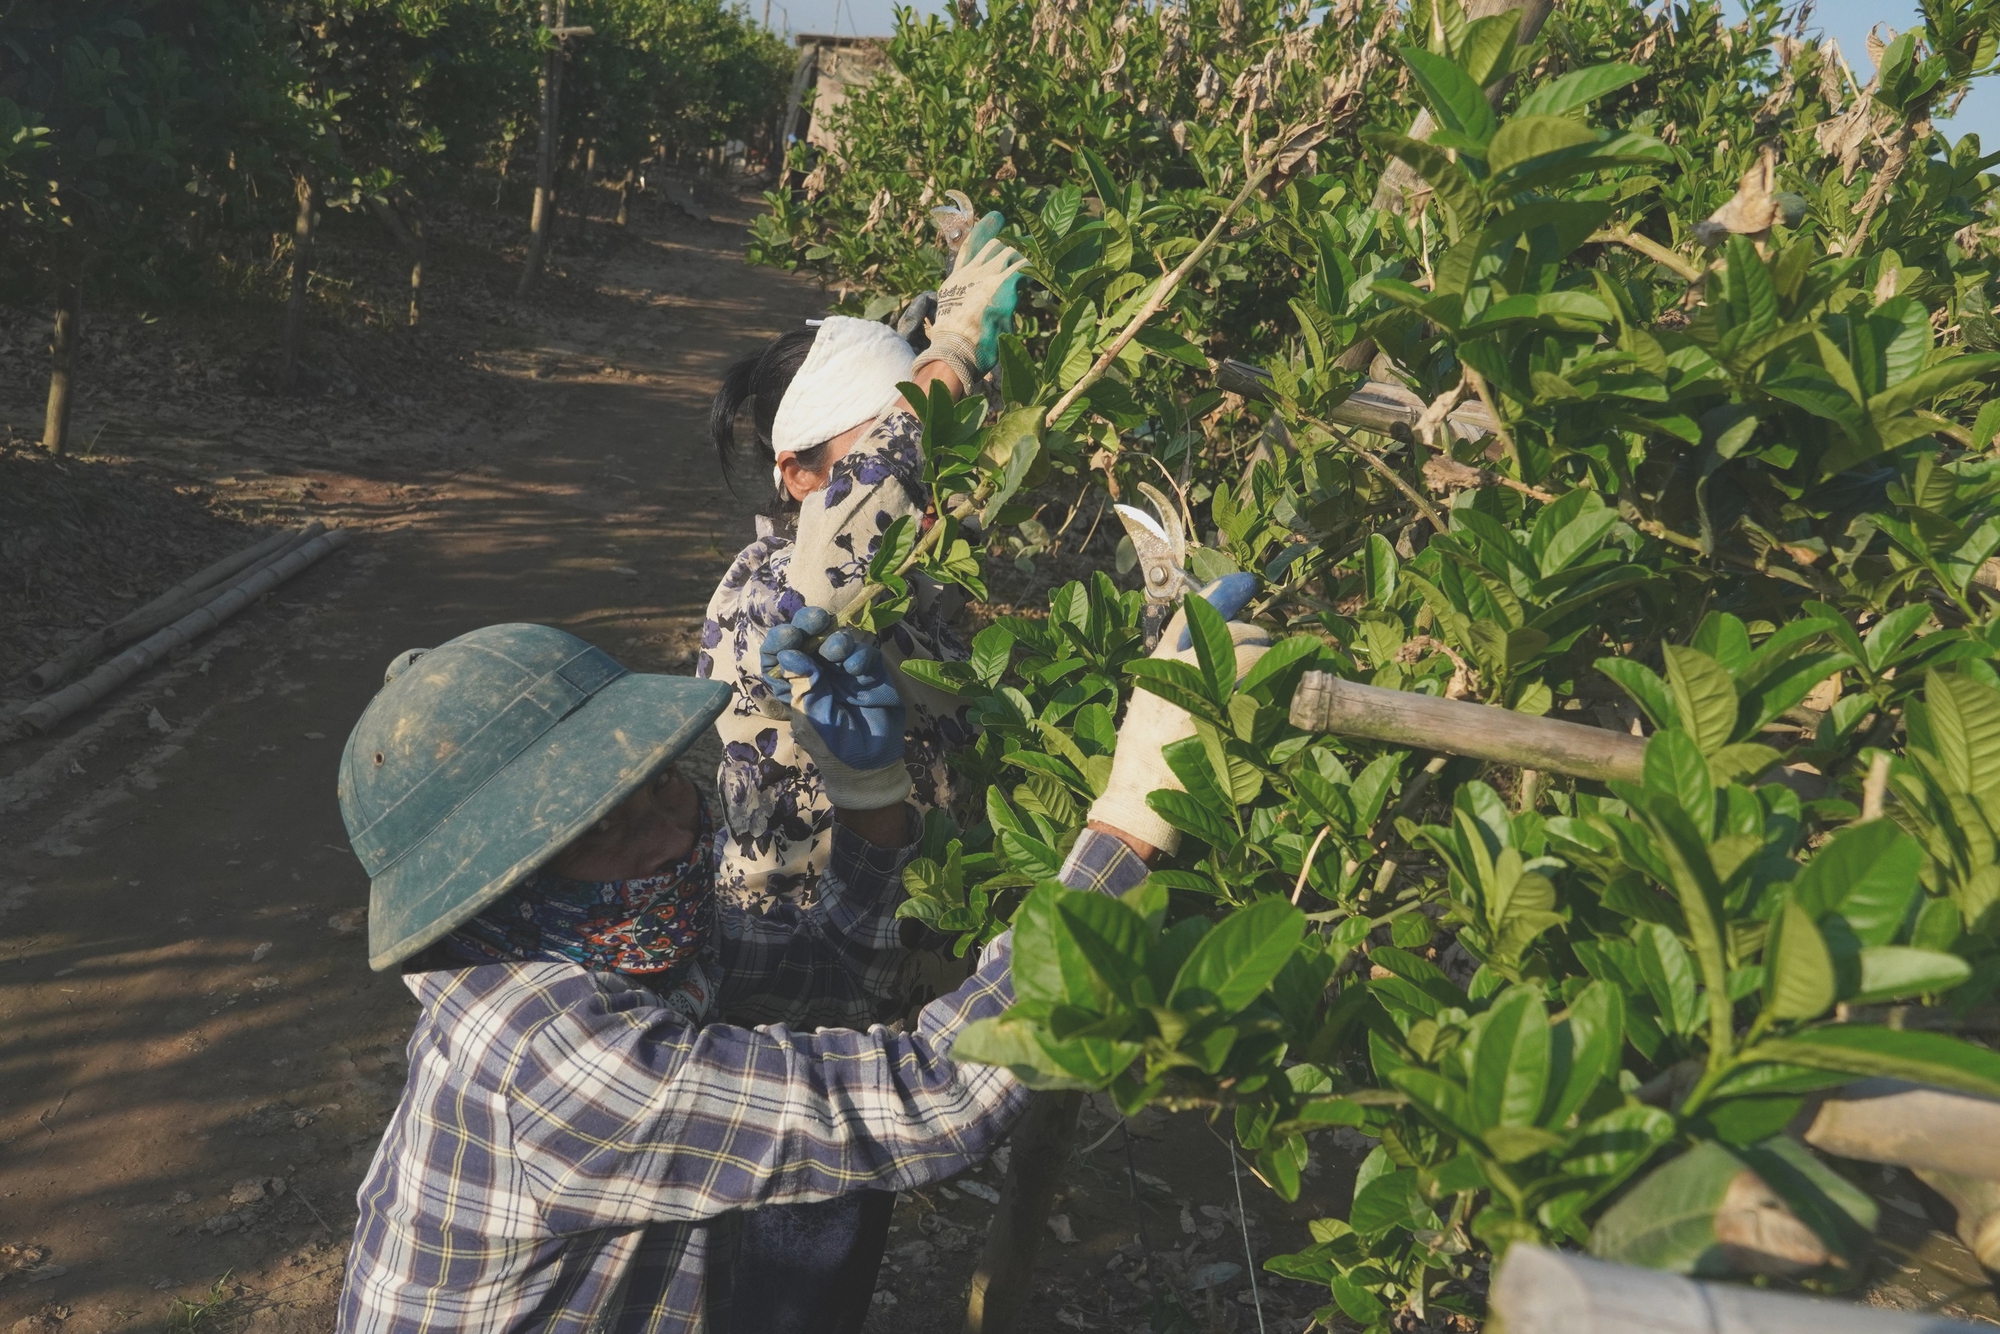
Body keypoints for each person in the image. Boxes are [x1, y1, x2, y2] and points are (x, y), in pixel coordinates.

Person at [331, 579, 1267, 1334]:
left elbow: (833, 976)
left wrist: (866, 791)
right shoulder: (545, 1054)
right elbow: (931, 1098)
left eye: (660, 790)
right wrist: (1135, 819)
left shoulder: (613, 949)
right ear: (505, 888)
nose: (668, 840)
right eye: (604, 832)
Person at [697, 214, 1026, 920]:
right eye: (898, 448)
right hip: (807, 975)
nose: (919, 474)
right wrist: (947, 363)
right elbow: (818, 597)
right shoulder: (760, 591)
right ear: (799, 475)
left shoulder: (912, 586)